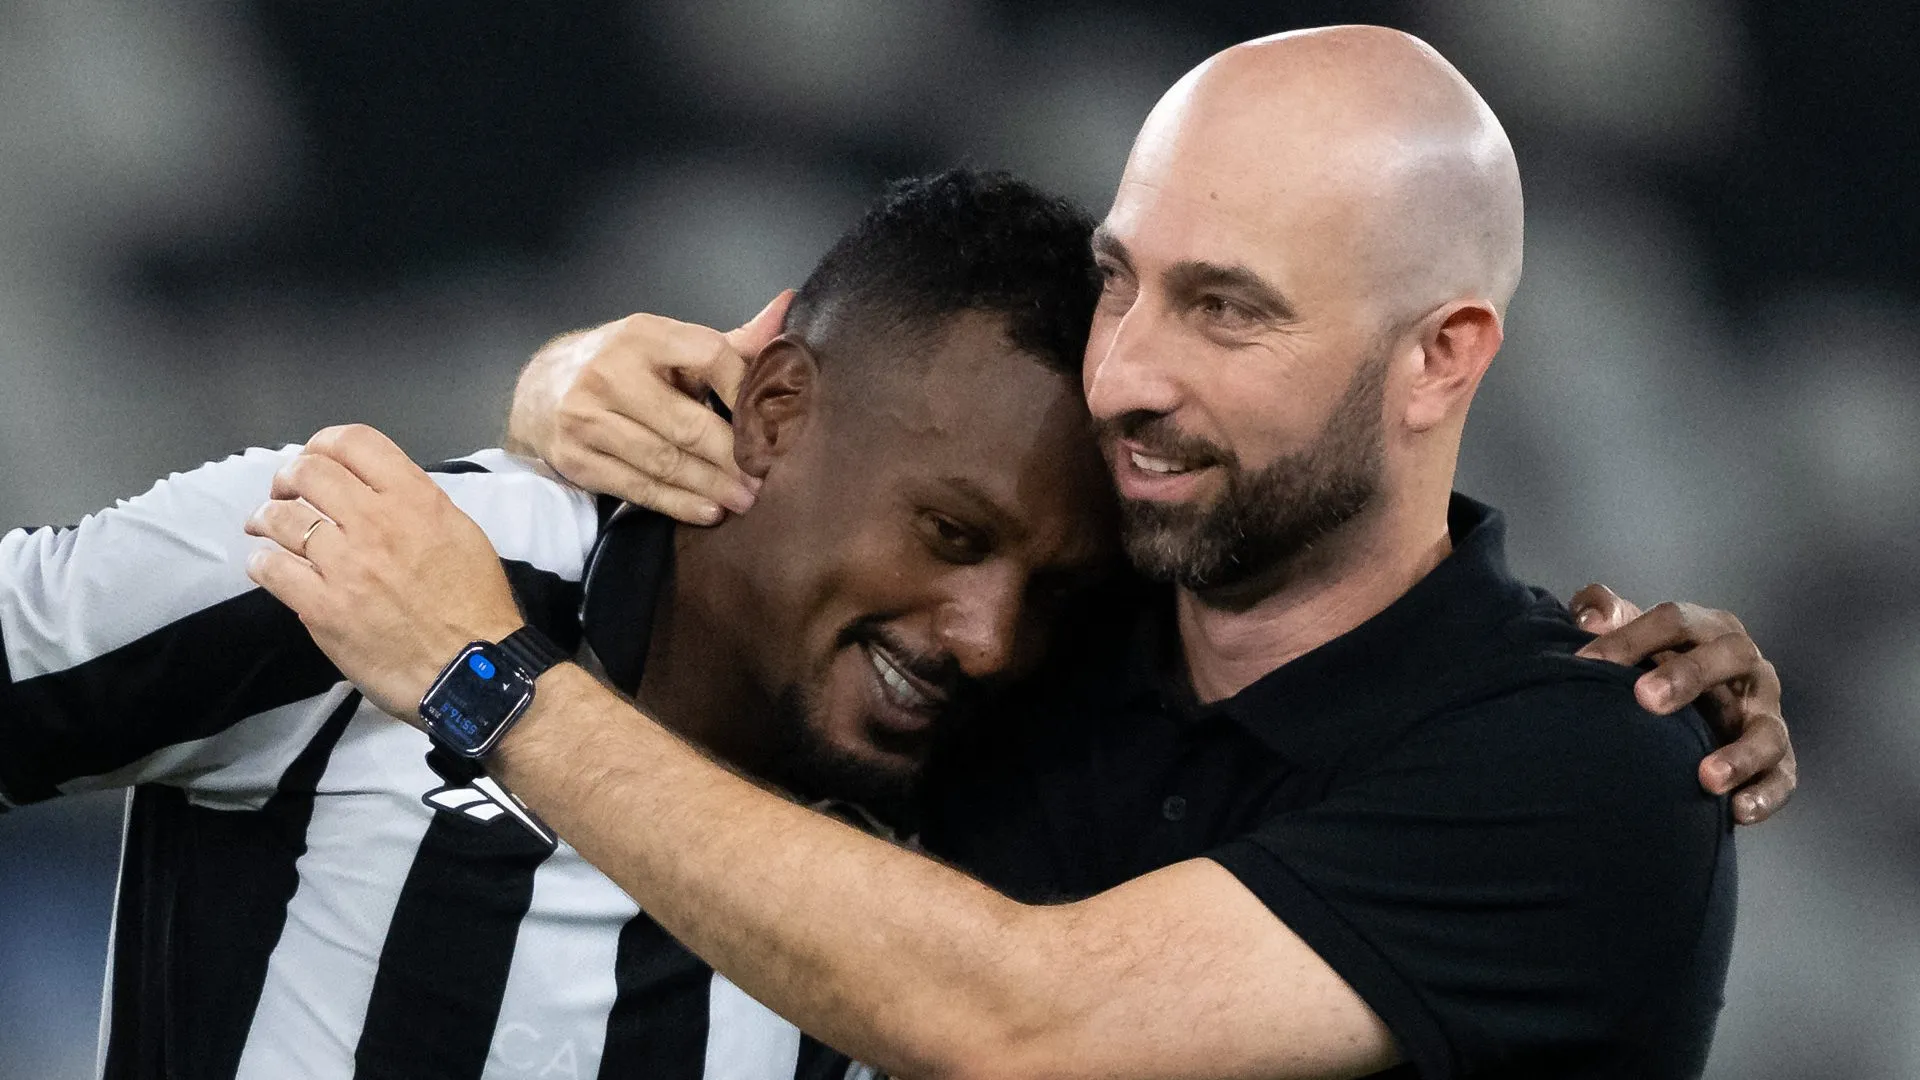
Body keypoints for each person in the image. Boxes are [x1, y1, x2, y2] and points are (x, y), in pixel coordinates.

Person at [250, 26, 1792, 1080]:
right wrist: (566, 383)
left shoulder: (1594, 768)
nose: (1125, 373)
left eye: (1229, 309)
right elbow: (762, 493)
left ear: (1441, 359)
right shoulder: (1049, 622)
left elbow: (1021, 1029)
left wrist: (484, 685)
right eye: (1125, 282)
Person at [0, 173, 1132, 1080]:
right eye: (948, 533)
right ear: (775, 413)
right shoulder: (364, 554)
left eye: (1056, 590)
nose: (990, 637)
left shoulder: (1032, 789)